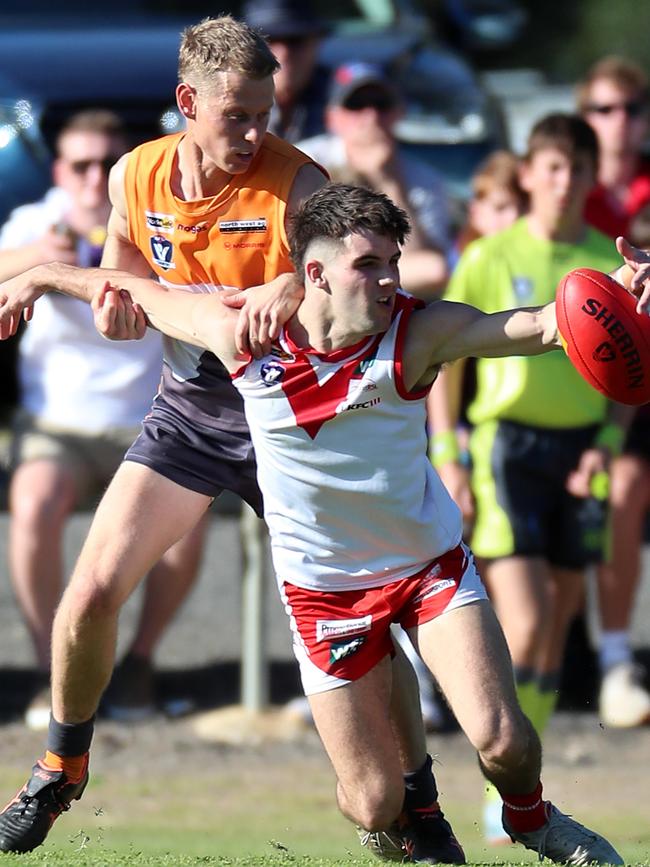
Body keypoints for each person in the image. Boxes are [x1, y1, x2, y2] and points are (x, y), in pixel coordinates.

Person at [2, 182, 626, 865]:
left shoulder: (417, 333)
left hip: (428, 569)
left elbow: (538, 325)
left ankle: (534, 820)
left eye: (393, 261)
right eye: (368, 264)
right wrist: (37, 274)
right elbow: (127, 285)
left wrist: (622, 287)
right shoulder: (237, 332)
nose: (388, 279)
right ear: (316, 273)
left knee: (505, 740)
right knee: (371, 801)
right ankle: (403, 813)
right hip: (323, 594)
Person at [0, 19, 451, 862]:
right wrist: (115, 308)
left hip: (292, 418)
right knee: (92, 588)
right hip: (193, 409)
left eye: (264, 113)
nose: (253, 133)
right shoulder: (136, 173)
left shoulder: (296, 180)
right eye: (235, 116)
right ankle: (60, 766)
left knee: (356, 611)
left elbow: (331, 268)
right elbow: (120, 274)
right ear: (186, 104)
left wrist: (288, 281)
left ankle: (418, 798)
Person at [427, 113, 631, 844]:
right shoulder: (489, 255)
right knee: (530, 618)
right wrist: (449, 453)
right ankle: (502, 778)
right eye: (550, 167)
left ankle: (521, 788)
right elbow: (446, 355)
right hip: (506, 449)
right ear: (528, 174)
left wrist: (606, 442)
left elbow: (627, 361)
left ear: (588, 176)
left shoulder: (596, 261)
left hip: (581, 455)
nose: (563, 180)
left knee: (556, 629)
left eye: (576, 168)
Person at [0, 109, 207, 728]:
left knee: (187, 523)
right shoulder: (35, 224)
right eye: (80, 165)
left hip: (149, 421)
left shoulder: (154, 220)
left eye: (105, 165)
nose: (93, 179)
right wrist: (40, 258)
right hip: (57, 426)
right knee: (33, 503)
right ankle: (50, 667)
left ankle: (139, 661)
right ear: (60, 171)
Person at [578, 55, 650, 728]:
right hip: (587, 385)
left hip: (641, 380)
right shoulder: (569, 190)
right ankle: (613, 658)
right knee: (621, 486)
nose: (619, 123)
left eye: (631, 108)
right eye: (603, 109)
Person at [297, 61, 451, 300]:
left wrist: (388, 181)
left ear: (399, 112)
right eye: (356, 105)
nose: (371, 115)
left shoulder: (425, 179)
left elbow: (430, 266)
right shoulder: (306, 161)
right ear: (332, 118)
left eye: (381, 104)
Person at [243, 0, 330, 143]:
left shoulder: (349, 100)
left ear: (317, 42)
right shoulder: (221, 101)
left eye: (295, 41)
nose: (284, 53)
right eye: (269, 40)